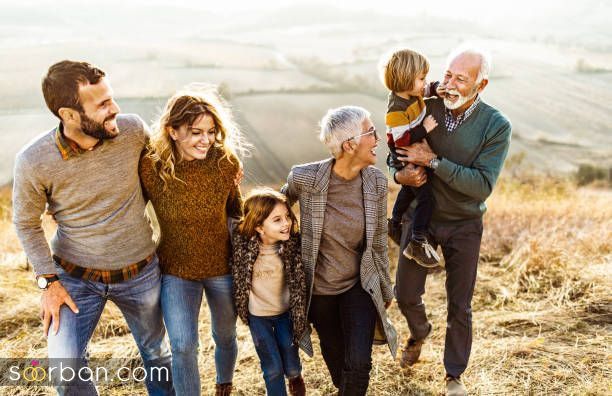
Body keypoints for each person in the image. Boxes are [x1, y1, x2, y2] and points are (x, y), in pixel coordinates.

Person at [12, 60, 173, 395]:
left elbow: (166, 172)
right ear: (68, 115)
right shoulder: (34, 160)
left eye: (111, 98)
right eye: (102, 105)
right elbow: (26, 223)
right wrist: (48, 283)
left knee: (158, 357)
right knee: (65, 370)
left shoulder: (132, 131)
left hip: (141, 274)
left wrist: (223, 169)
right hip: (72, 280)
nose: (115, 109)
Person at [392, 45, 512, 396]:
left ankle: (453, 375)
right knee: (405, 294)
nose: (450, 83)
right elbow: (396, 148)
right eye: (447, 74)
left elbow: (481, 186)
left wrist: (433, 162)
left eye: (461, 78)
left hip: (464, 223)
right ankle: (419, 332)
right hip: (420, 222)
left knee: (460, 304)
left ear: (481, 84)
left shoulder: (495, 125)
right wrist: (399, 178)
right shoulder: (426, 105)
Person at [282, 106, 398, 396]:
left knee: (359, 363)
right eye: (371, 132)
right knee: (338, 365)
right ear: (350, 145)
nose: (377, 138)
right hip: (319, 291)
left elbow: (380, 242)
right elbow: (274, 206)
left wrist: (384, 288)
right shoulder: (305, 179)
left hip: (359, 284)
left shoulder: (376, 182)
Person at [139, 86, 246, 396]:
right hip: (175, 270)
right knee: (183, 345)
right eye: (195, 132)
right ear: (172, 131)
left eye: (211, 131)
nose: (206, 139)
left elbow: (234, 212)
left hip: (221, 268)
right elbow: (128, 206)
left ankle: (223, 384)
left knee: (225, 335)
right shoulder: (151, 167)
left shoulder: (225, 163)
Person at [231, 188, 309, 396]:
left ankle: (295, 376)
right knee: (272, 367)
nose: (286, 223)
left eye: (287, 217)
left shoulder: (293, 246)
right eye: (277, 220)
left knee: (290, 359)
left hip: (285, 313)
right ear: (258, 227)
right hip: (259, 317)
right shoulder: (243, 248)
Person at [379, 48, 443, 268]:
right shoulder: (395, 109)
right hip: (403, 155)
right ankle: (417, 240)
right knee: (426, 197)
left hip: (411, 151)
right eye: (421, 78)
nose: (424, 83)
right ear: (406, 80)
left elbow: (423, 90)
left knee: (408, 191)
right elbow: (401, 140)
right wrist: (424, 129)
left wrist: (436, 88)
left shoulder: (411, 93)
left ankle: (394, 223)